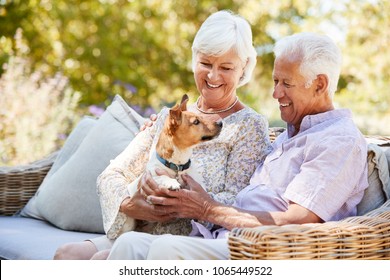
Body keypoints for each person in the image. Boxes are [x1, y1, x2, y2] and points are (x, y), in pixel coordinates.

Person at [106, 32, 369, 260]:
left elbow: (295, 219)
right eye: (276, 81)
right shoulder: (293, 134)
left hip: (262, 251)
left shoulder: (338, 140)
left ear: (320, 85)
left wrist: (207, 208)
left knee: (166, 250)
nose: (276, 93)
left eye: (286, 83)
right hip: (222, 237)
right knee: (129, 244)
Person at [53, 10, 272, 260]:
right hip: (142, 226)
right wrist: (131, 204)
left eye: (226, 67)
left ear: (243, 67)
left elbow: (237, 200)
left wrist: (182, 201)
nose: (213, 76)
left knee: (100, 261)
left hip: (189, 240)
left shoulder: (249, 126)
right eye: (205, 63)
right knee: (66, 255)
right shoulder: (170, 118)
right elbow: (111, 175)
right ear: (194, 59)